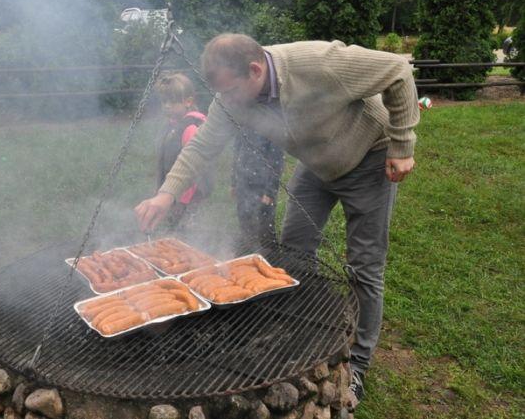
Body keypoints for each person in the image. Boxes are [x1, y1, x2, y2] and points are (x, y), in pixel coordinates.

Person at [135, 33, 419, 407]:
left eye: (232, 91)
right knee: (294, 252)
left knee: (363, 267)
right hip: (316, 165)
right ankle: (303, 329)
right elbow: (202, 145)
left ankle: (359, 365)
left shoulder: (318, 63)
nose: (228, 101)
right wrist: (166, 193)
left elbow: (398, 71)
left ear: (255, 70)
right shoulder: (231, 97)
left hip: (369, 156)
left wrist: (402, 144)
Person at [154, 73, 213, 231]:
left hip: (189, 194)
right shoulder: (172, 124)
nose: (167, 105)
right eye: (164, 101)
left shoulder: (190, 127)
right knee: (174, 227)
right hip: (174, 192)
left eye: (172, 101)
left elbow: (195, 167)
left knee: (187, 230)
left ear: (188, 101)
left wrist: (183, 200)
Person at [231, 128, 283, 255]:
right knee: (245, 221)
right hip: (243, 184)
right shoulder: (242, 126)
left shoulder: (270, 127)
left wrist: (270, 192)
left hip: (262, 187)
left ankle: (271, 257)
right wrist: (233, 182)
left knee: (264, 227)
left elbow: (276, 162)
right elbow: (236, 156)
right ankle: (249, 252)